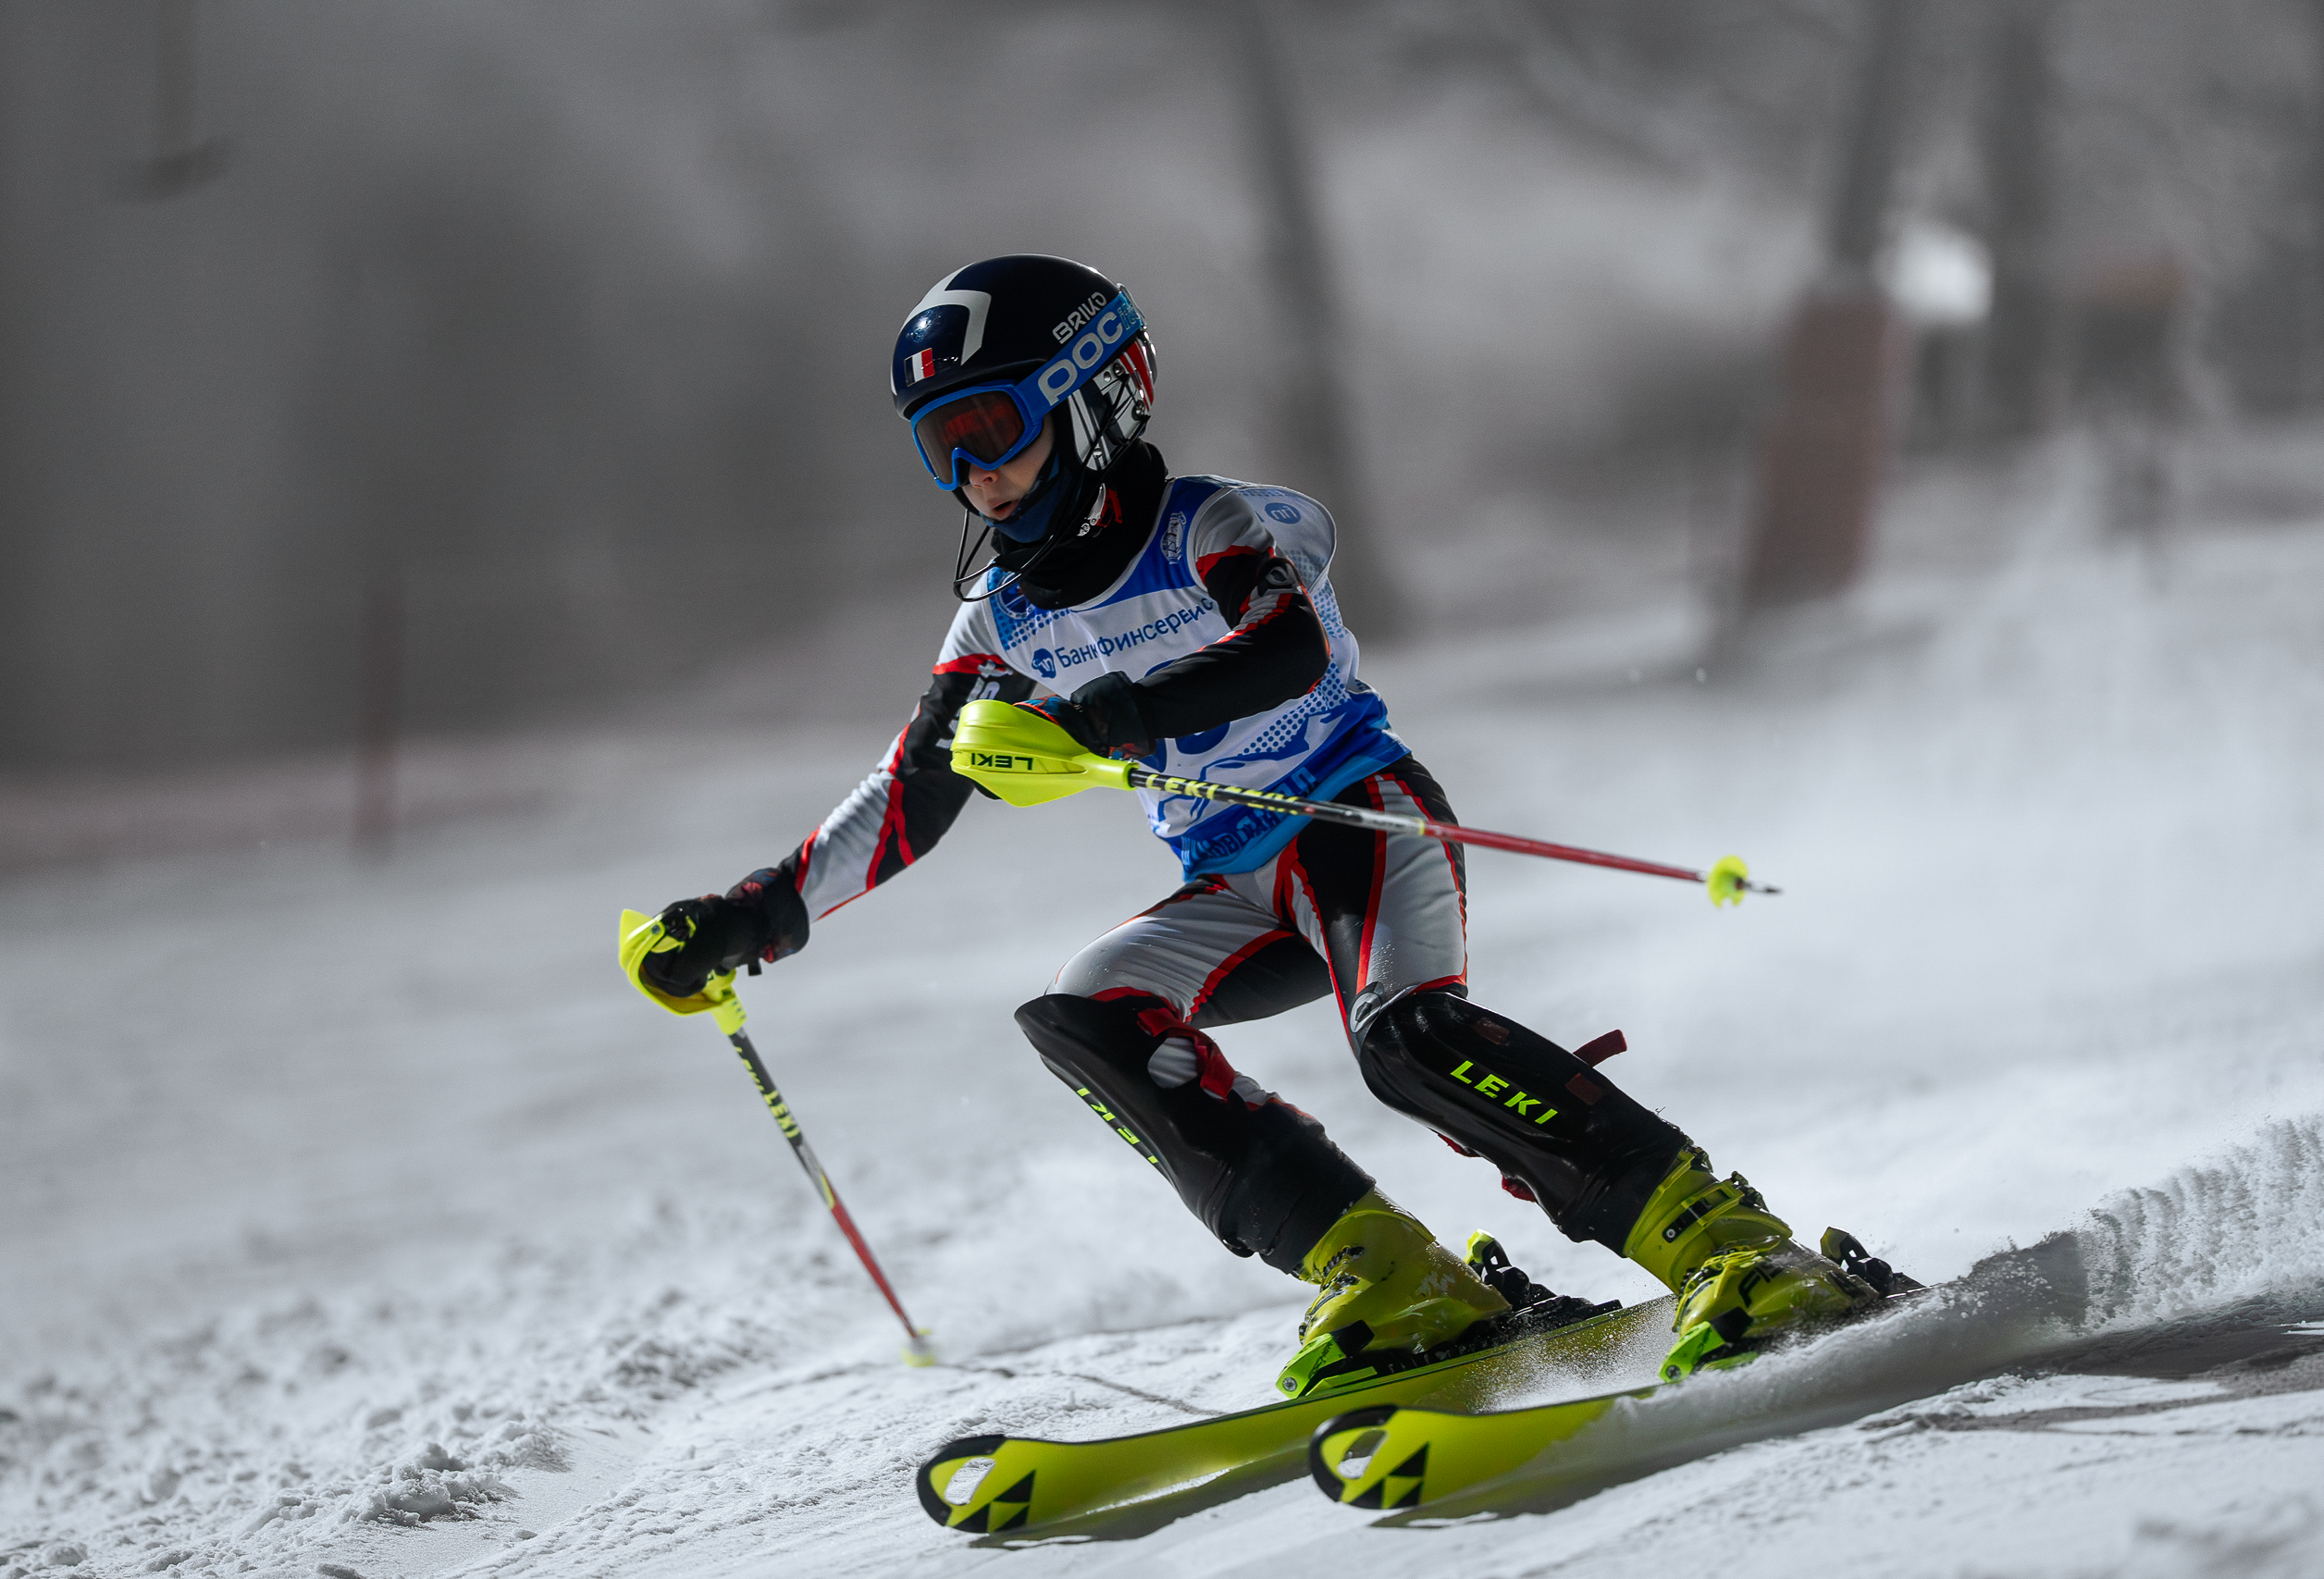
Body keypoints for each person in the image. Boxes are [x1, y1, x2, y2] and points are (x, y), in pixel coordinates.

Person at [621, 253, 1882, 1395]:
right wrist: (749, 917)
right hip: (1232, 884)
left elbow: (1278, 650)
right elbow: (912, 792)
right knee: (1084, 1009)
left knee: (1406, 1039)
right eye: (937, 446)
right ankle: (1391, 1274)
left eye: (991, 428)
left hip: (1353, 818)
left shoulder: (1210, 526)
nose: (972, 474)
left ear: (1096, 399)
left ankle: (1727, 1242)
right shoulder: (1000, 625)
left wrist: (1116, 718)